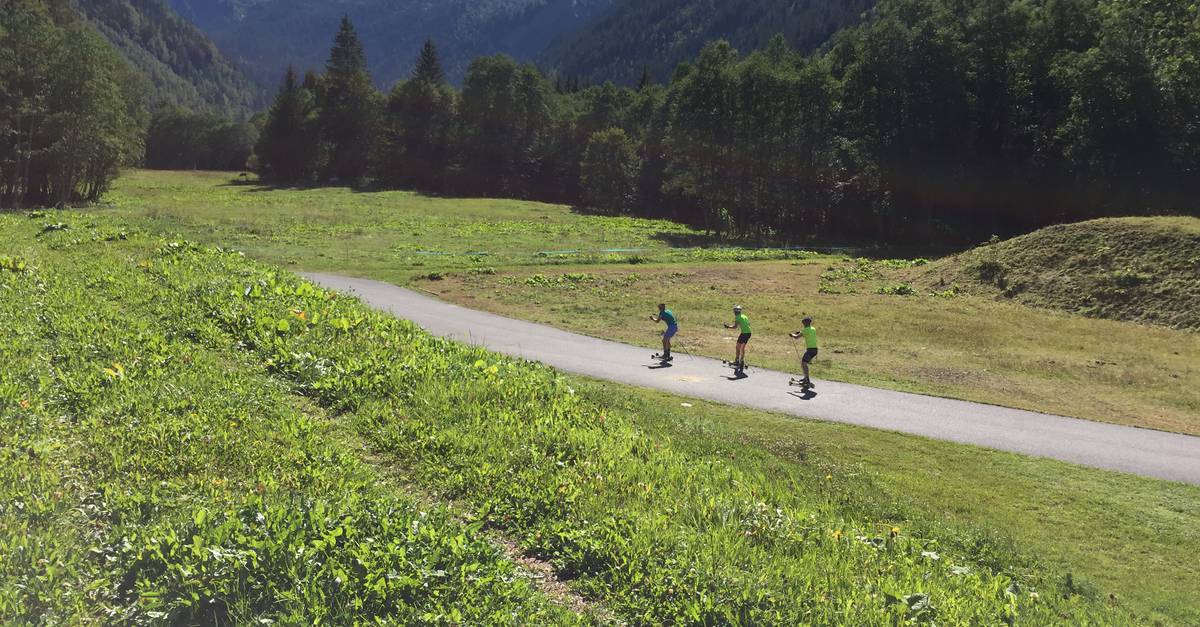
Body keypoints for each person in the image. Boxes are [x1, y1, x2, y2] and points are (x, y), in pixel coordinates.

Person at [789, 317, 818, 386]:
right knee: (803, 363)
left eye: (803, 323)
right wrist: (800, 332)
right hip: (814, 349)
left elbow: (796, 337)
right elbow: (805, 332)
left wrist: (792, 335)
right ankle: (806, 378)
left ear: (806, 323)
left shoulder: (805, 330)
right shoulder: (813, 329)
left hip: (810, 350)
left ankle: (807, 379)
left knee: (804, 363)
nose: (803, 324)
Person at [723, 305, 751, 371]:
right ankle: (741, 361)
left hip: (744, 333)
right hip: (748, 333)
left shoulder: (737, 317)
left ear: (735, 311)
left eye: (734, 311)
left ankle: (737, 361)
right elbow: (748, 324)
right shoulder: (744, 316)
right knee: (741, 347)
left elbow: (735, 327)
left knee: (738, 347)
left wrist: (728, 327)